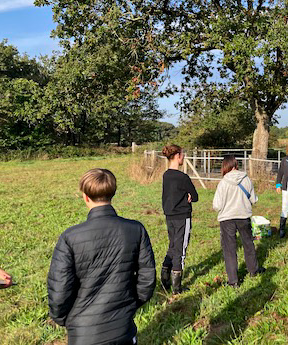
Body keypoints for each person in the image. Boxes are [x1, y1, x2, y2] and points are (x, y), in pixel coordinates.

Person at [48, 169, 156, 345]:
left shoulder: (70, 237)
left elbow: (59, 288)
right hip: (123, 330)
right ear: (112, 193)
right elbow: (147, 278)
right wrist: (131, 304)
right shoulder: (136, 229)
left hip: (84, 333)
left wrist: (62, 318)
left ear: (85, 197)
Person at [212, 155, 265, 287]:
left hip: (227, 219)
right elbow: (254, 199)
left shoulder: (223, 183)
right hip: (243, 216)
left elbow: (217, 205)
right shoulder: (246, 179)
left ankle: (233, 280)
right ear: (236, 165)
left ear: (225, 166)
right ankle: (253, 270)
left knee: (229, 249)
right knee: (248, 244)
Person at [161, 144, 199, 294]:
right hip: (182, 216)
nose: (183, 157)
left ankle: (164, 280)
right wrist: (188, 196)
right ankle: (177, 288)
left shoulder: (166, 175)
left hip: (169, 216)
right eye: (182, 155)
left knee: (172, 246)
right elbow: (195, 196)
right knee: (180, 250)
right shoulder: (183, 177)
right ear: (177, 156)